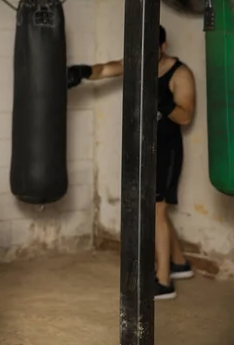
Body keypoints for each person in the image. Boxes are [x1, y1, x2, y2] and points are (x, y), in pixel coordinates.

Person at [66, 25, 196, 300]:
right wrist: (82, 72)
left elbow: (185, 117)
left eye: (152, 50)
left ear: (163, 46)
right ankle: (179, 263)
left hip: (168, 151)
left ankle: (163, 281)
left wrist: (163, 101)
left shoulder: (180, 74)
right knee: (157, 209)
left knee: (155, 212)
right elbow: (105, 70)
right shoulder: (140, 61)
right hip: (145, 148)